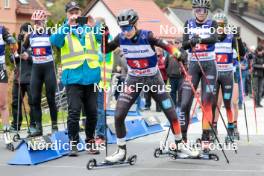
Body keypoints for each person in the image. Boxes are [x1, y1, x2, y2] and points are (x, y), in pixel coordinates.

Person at [103, 9, 199, 163]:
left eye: (128, 28)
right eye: (122, 28)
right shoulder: (120, 38)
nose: (125, 32)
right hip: (133, 79)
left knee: (171, 113)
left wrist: (177, 53)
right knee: (119, 114)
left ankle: (180, 145)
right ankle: (121, 151)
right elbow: (105, 49)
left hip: (153, 79)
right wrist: (104, 36)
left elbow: (166, 45)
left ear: (135, 24)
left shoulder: (147, 36)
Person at [50, 1, 103, 156]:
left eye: (77, 12)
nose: (75, 15)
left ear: (81, 13)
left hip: (91, 77)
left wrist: (94, 26)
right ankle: (73, 142)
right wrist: (68, 25)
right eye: (71, 12)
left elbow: (103, 40)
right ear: (67, 14)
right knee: (74, 112)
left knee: (93, 112)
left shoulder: (90, 28)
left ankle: (90, 140)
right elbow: (54, 41)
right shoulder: (63, 29)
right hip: (73, 78)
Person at [180, 0, 218, 144]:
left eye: (203, 10)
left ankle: (206, 137)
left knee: (206, 102)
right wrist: (191, 42)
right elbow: (184, 44)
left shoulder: (212, 24)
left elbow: (214, 39)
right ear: (193, 11)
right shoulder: (188, 24)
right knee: (184, 103)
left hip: (209, 65)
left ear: (207, 11)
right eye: (198, 10)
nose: (201, 13)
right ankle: (182, 138)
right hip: (194, 65)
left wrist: (199, 39)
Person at [23, 10, 58, 136]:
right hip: (36, 69)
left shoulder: (50, 33)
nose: (38, 24)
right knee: (35, 99)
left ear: (44, 22)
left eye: (40, 22)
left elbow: (59, 46)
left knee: (50, 98)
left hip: (49, 68)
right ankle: (38, 128)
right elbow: (22, 48)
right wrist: (22, 51)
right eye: (36, 22)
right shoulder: (30, 35)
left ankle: (54, 127)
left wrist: (59, 64)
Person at [211, 12, 245, 141]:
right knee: (216, 103)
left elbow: (241, 55)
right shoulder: (210, 39)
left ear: (226, 26)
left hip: (230, 74)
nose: (219, 27)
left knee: (233, 102)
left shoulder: (231, 38)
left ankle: (233, 127)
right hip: (215, 75)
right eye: (217, 25)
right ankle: (214, 128)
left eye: (222, 25)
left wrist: (239, 38)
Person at [10, 23, 35, 132]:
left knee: (33, 103)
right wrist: (17, 52)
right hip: (18, 79)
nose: (25, 35)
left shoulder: (34, 44)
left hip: (32, 78)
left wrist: (28, 57)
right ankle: (16, 125)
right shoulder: (17, 45)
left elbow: (38, 60)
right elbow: (12, 60)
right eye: (23, 33)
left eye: (27, 32)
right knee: (16, 102)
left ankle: (33, 125)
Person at [95, 17, 114, 144]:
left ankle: (100, 135)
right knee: (94, 108)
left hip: (102, 78)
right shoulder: (95, 38)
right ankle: (96, 131)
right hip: (93, 77)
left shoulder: (106, 38)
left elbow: (104, 56)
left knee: (100, 108)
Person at [0, 25, 17, 133]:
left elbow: (14, 44)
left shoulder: (2, 30)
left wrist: (13, 53)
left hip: (0, 67)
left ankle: (6, 129)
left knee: (2, 102)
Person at [165, 39, 187, 109]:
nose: (176, 44)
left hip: (181, 76)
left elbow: (184, 60)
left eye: (178, 43)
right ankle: (173, 105)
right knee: (172, 92)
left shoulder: (184, 52)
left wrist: (177, 53)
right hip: (171, 76)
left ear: (181, 44)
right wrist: (168, 72)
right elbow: (166, 63)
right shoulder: (169, 52)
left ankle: (179, 106)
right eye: (175, 43)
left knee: (180, 92)